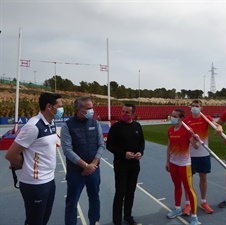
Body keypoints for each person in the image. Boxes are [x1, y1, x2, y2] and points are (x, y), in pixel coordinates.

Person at [5, 92, 63, 225]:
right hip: (36, 184)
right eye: (59, 106)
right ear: (49, 107)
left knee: (43, 220)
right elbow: (10, 155)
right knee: (34, 221)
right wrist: (26, 164)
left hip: (49, 179)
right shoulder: (33, 126)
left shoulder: (52, 123)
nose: (61, 109)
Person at [60, 96, 105, 225]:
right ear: (79, 110)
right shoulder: (67, 126)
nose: (92, 110)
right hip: (75, 172)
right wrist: (85, 166)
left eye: (92, 107)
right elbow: (68, 150)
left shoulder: (95, 124)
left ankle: (94, 221)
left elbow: (101, 145)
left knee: (95, 198)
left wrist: (93, 165)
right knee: (72, 202)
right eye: (88, 108)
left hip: (94, 170)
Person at [106, 103, 145, 225]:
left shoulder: (137, 126)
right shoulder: (116, 127)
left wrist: (140, 152)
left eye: (127, 112)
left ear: (133, 114)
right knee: (120, 192)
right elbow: (109, 146)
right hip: (121, 165)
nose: (124, 114)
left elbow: (141, 142)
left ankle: (128, 216)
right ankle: (117, 220)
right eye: (123, 111)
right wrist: (124, 154)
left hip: (134, 165)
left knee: (131, 191)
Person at [182, 99, 223, 215]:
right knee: (188, 180)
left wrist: (219, 128)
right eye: (193, 106)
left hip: (204, 154)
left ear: (201, 108)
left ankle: (203, 202)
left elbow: (216, 125)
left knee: (203, 178)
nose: (194, 107)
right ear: (190, 107)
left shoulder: (206, 118)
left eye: (197, 106)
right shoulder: (186, 121)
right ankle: (188, 203)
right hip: (190, 155)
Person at [166, 108, 201, 225]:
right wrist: (167, 161)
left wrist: (197, 141)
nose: (172, 118)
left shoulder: (187, 130)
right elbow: (169, 147)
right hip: (173, 163)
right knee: (177, 186)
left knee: (189, 189)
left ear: (181, 118)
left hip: (184, 164)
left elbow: (195, 147)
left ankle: (194, 217)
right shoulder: (170, 130)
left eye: (175, 116)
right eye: (172, 115)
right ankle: (177, 209)